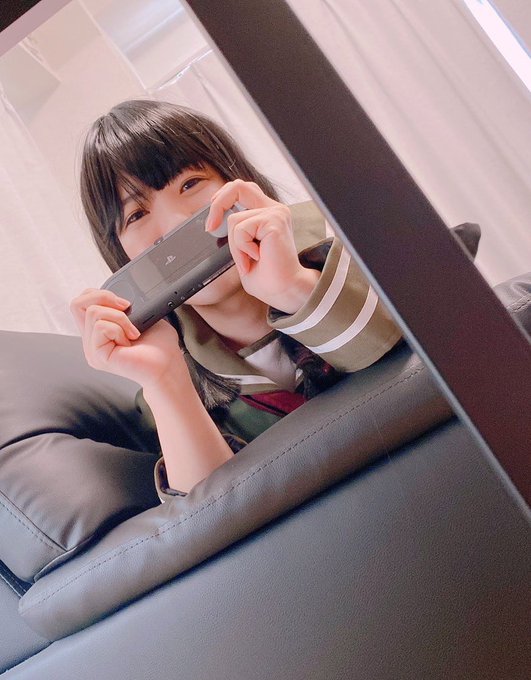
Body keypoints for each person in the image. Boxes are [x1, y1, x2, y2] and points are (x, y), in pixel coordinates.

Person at [70, 99, 401, 501]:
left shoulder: (342, 236)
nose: (175, 224)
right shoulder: (165, 374)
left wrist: (293, 287)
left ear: (239, 181)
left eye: (190, 184)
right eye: (136, 215)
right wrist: (165, 380)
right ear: (121, 255)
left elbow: (413, 361)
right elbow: (212, 516)